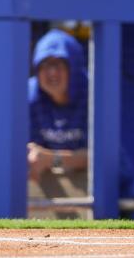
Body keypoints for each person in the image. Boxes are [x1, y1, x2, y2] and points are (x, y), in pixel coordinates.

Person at [27, 29, 88, 183]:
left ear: (73, 67)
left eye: (58, 64)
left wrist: (53, 159)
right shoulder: (30, 95)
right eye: (45, 65)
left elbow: (101, 157)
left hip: (105, 193)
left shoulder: (94, 93)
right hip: (53, 192)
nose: (52, 73)